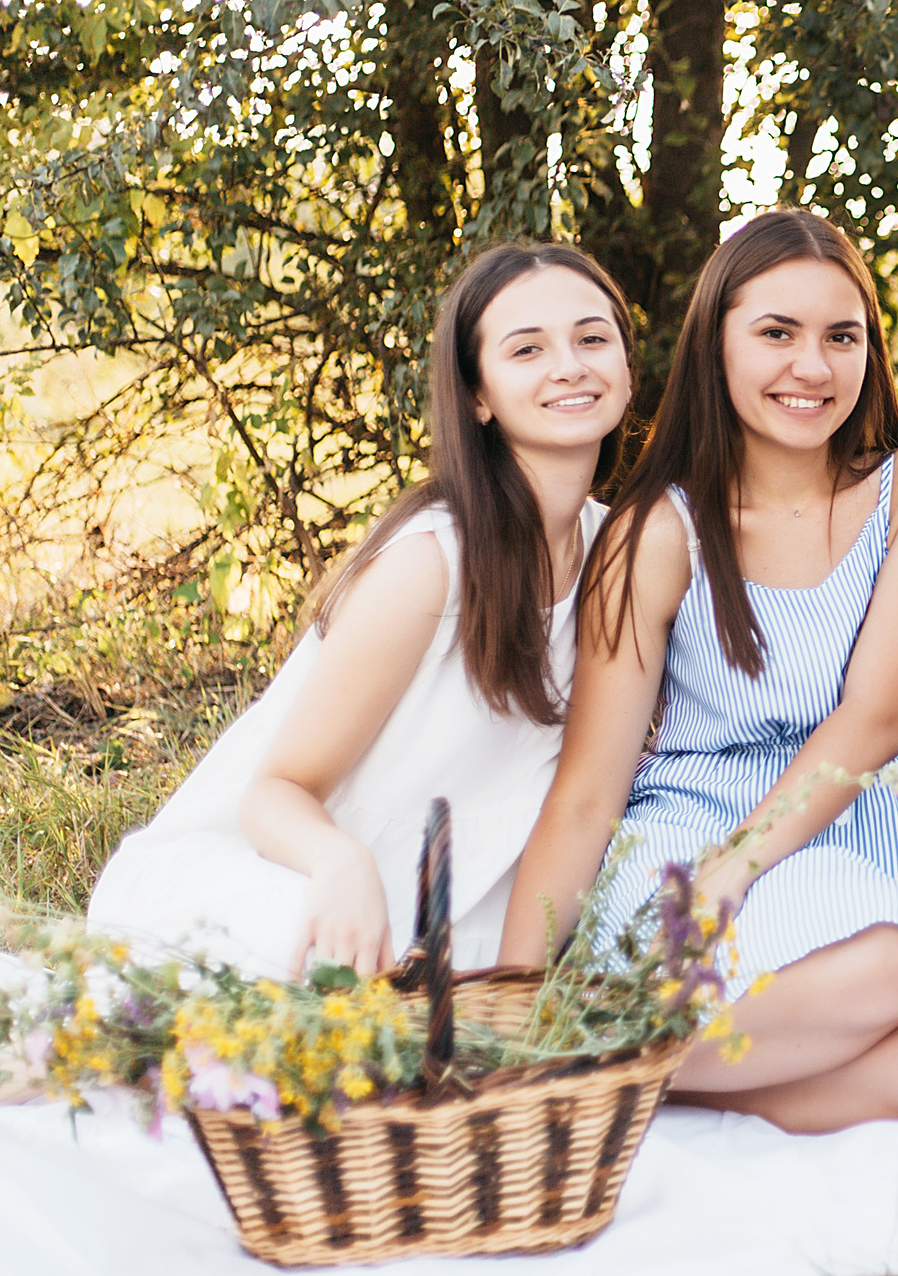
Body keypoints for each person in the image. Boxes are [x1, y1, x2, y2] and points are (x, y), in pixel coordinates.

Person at [500, 210, 898, 1133]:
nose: (814, 366)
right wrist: (509, 995)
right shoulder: (661, 530)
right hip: (695, 852)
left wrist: (745, 861)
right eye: (777, 333)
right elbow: (588, 793)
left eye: (842, 337)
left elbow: (876, 718)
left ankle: (611, 1073)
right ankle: (552, 1045)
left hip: (856, 848)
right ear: (717, 345)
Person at [90, 243, 632, 977]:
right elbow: (275, 793)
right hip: (288, 879)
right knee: (333, 979)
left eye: (592, 338)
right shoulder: (432, 561)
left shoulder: (622, 552)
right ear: (478, 396)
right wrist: (339, 863)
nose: (569, 366)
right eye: (527, 349)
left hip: (461, 907)